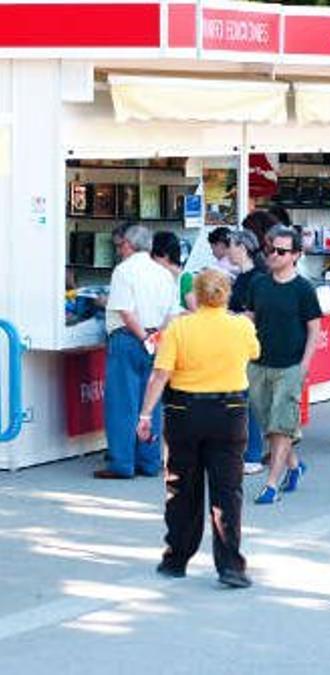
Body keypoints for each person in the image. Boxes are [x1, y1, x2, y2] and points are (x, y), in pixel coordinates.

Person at [134, 269, 259, 589]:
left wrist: (145, 415)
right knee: (227, 490)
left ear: (196, 295)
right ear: (226, 294)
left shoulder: (179, 328)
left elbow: (160, 375)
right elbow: (254, 352)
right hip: (229, 412)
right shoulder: (241, 326)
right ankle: (230, 565)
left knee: (181, 488)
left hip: (184, 412)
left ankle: (175, 559)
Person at [95, 223, 179, 480]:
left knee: (123, 403)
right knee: (150, 402)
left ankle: (121, 463)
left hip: (129, 339)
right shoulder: (164, 273)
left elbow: (126, 312)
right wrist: (156, 339)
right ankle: (149, 460)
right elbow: (171, 314)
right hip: (156, 337)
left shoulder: (124, 271)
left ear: (129, 245)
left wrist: (144, 338)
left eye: (120, 245)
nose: (119, 250)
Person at [246, 224, 322, 504]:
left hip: (290, 366)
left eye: (281, 251)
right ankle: (294, 465)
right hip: (258, 363)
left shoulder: (303, 289)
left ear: (295, 255)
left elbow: (314, 329)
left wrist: (304, 365)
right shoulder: (259, 284)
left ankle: (271, 485)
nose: (273, 255)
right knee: (269, 424)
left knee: (281, 425)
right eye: (270, 249)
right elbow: (250, 319)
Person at [227, 229, 268, 475]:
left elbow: (256, 313)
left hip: (250, 345)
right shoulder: (243, 277)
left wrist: (231, 316)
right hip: (241, 343)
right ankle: (250, 450)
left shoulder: (255, 278)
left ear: (242, 248)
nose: (228, 251)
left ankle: (253, 453)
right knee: (244, 399)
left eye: (231, 246)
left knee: (249, 400)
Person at [151, 230, 193, 310]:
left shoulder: (185, 278)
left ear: (164, 255)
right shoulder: (155, 276)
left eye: (154, 256)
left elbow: (194, 311)